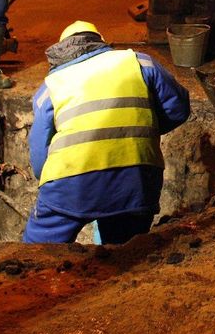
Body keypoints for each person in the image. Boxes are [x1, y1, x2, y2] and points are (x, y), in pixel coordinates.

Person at [23, 20, 190, 245]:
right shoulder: (139, 62)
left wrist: (49, 180)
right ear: (100, 42)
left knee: (37, 253)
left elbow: (39, 154)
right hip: (136, 178)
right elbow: (178, 109)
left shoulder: (50, 87)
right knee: (124, 253)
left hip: (71, 185)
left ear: (62, 50)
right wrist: (141, 129)